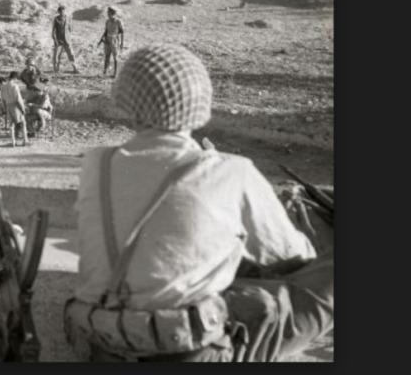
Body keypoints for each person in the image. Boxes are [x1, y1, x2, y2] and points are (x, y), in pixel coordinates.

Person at [63, 44, 332, 362]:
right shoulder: (230, 170)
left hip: (102, 338)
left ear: (126, 103)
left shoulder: (97, 164)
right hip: (189, 348)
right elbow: (290, 255)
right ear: (200, 104)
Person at [0, 71, 28, 147]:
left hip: (8, 105)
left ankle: (13, 142)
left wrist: (4, 108)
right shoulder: (15, 86)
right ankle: (25, 141)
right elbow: (18, 99)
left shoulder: (3, 87)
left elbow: (2, 99)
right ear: (15, 78)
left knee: (11, 125)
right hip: (16, 105)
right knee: (23, 123)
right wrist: (22, 109)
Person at [97, 6, 125, 77]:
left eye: (109, 14)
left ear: (113, 14)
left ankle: (115, 73)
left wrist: (122, 43)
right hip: (107, 39)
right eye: (108, 13)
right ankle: (105, 71)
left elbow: (122, 32)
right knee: (107, 56)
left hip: (114, 40)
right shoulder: (107, 21)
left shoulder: (119, 22)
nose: (108, 15)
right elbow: (106, 31)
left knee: (115, 57)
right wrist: (101, 40)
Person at [51, 5, 79, 74]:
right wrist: (55, 40)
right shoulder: (56, 19)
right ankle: (56, 70)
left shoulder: (68, 18)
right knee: (57, 56)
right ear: (59, 12)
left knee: (71, 55)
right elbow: (53, 30)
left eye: (63, 11)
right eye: (61, 11)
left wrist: (69, 36)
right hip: (59, 40)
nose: (62, 13)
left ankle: (75, 68)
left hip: (67, 40)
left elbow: (70, 28)